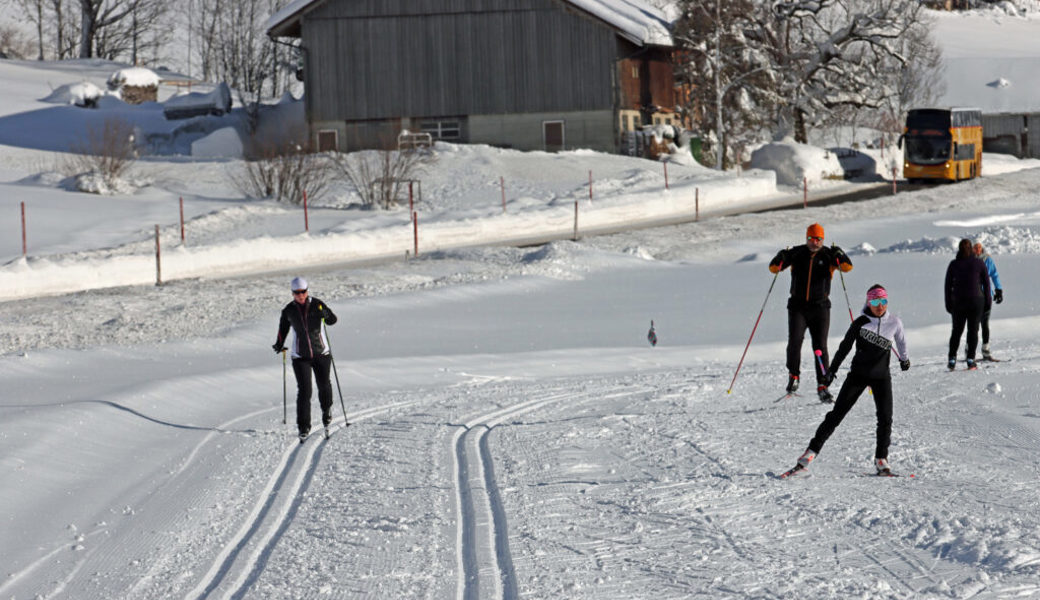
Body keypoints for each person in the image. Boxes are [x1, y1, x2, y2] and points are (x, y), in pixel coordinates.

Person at [783, 284, 910, 478]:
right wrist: (831, 371)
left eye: (883, 301)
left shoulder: (894, 322)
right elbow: (844, 348)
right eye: (875, 301)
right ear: (869, 302)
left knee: (885, 418)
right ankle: (810, 453)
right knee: (836, 414)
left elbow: (901, 341)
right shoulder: (860, 323)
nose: (879, 306)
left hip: (881, 377)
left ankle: (881, 459)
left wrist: (904, 358)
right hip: (858, 375)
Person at [768, 223, 853, 402]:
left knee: (820, 347)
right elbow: (773, 268)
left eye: (818, 239)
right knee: (795, 341)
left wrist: (840, 253)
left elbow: (847, 267)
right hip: (798, 307)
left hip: (820, 307)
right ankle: (794, 376)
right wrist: (780, 257)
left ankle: (823, 385)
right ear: (806, 238)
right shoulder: (797, 253)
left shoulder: (829, 255)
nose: (814, 242)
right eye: (811, 239)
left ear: (823, 239)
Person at [273, 276, 339, 442]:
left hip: (321, 353)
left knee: (324, 386)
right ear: (292, 293)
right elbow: (283, 329)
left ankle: (326, 410)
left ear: (307, 291)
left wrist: (326, 314)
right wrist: (279, 344)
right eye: (297, 293)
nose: (300, 295)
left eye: (303, 292)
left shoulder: (317, 304)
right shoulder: (289, 310)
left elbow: (332, 321)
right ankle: (303, 427)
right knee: (304, 391)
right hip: (300, 356)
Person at [945, 239, 991, 371]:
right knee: (973, 331)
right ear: (971, 249)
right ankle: (971, 359)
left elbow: (948, 286)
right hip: (976, 301)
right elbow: (986, 284)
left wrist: (948, 303)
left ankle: (952, 359)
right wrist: (988, 302)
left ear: (959, 249)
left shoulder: (953, 264)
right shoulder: (979, 263)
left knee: (957, 331)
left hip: (958, 302)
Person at [972, 242, 1003, 361]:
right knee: (973, 326)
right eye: (975, 248)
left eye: (979, 247)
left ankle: (986, 351)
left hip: (986, 297)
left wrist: (998, 289)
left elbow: (994, 275)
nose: (977, 250)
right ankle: (970, 351)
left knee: (985, 324)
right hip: (973, 297)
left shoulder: (987, 260)